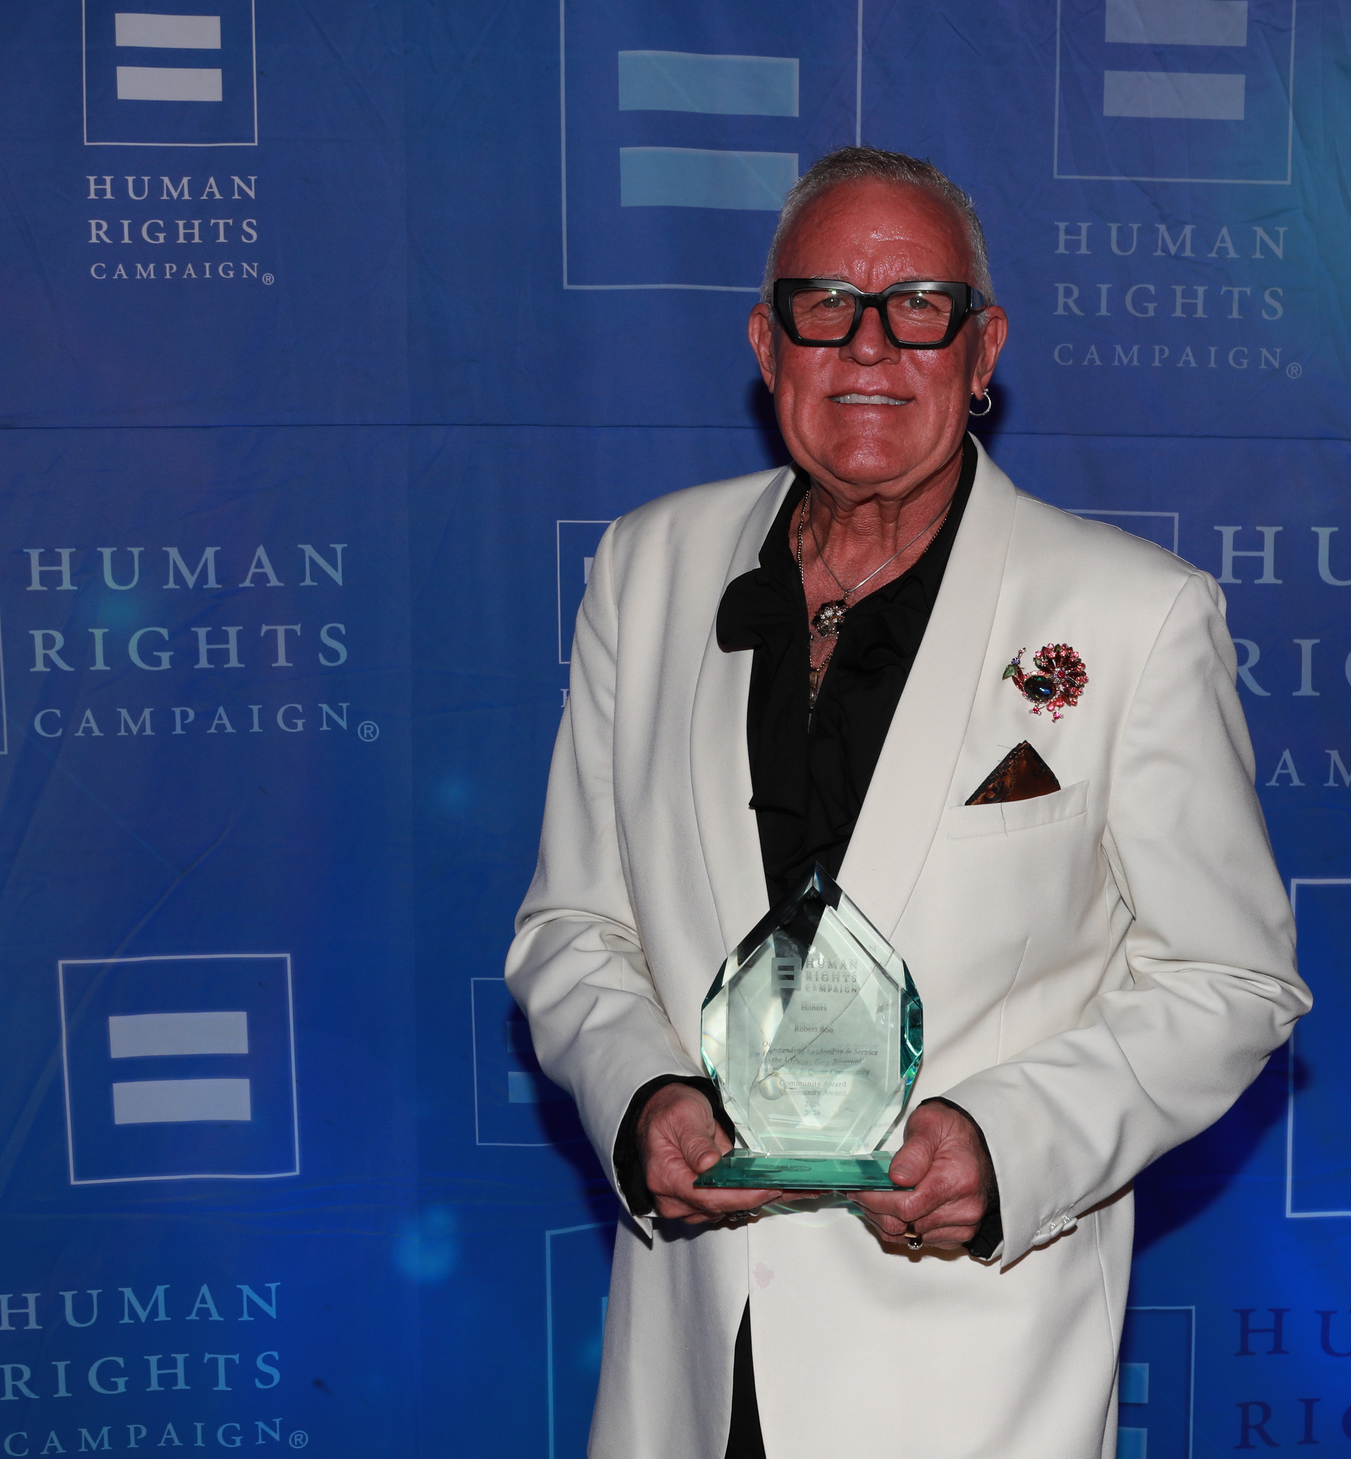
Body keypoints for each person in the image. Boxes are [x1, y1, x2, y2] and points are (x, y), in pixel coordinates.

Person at [506, 147, 1309, 1459]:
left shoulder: (1132, 617)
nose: (868, 345)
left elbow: (1233, 978)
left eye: (918, 306)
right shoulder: (642, 573)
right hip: (690, 1379)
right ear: (768, 346)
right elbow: (571, 929)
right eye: (826, 305)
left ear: (982, 350)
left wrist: (1009, 1145)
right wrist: (640, 1092)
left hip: (976, 1380)